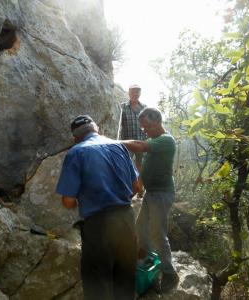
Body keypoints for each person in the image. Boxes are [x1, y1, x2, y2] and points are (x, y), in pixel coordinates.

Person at [56, 115, 140, 300]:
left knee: (97, 285)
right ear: (97, 130)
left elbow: (68, 201)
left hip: (98, 225)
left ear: (75, 138)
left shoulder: (76, 152)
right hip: (127, 219)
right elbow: (136, 187)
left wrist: (87, 200)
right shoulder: (119, 146)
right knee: (126, 280)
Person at [121, 107, 179, 292]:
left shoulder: (166, 140)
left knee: (157, 233)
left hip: (162, 194)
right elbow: (143, 170)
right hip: (151, 194)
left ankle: (170, 273)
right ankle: (146, 260)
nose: (144, 130)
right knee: (140, 228)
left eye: (146, 126)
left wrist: (114, 143)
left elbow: (140, 146)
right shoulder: (154, 140)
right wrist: (135, 191)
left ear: (156, 122)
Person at [119, 84, 147, 197]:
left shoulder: (145, 107)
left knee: (141, 166)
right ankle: (128, 190)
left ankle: (140, 190)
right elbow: (119, 124)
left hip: (142, 142)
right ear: (128, 93)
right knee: (126, 166)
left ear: (140, 93)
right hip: (127, 143)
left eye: (137, 92)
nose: (135, 94)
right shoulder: (122, 107)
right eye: (133, 92)